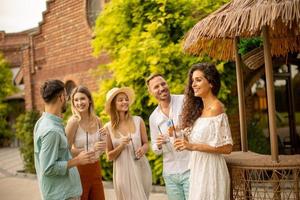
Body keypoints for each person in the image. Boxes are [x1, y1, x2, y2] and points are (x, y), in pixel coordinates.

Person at [174, 63, 233, 200]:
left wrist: (192, 146)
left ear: (211, 83)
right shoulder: (199, 111)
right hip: (198, 169)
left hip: (211, 170)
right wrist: (182, 140)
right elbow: (197, 143)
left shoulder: (216, 108)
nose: (193, 84)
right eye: (192, 81)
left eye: (198, 80)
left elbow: (227, 147)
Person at [34, 80, 95, 200]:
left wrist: (80, 152)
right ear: (61, 97)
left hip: (63, 192)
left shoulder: (44, 122)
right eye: (66, 96)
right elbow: (48, 168)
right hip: (62, 195)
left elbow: (59, 154)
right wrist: (77, 160)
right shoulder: (51, 130)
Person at [147, 74, 190, 200]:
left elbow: (197, 127)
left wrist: (182, 129)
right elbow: (155, 148)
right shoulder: (153, 117)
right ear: (151, 92)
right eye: (156, 87)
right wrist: (158, 144)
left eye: (163, 84)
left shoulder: (185, 101)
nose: (161, 88)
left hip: (190, 167)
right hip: (170, 172)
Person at [105, 87, 152, 200]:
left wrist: (143, 150)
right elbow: (109, 156)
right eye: (120, 100)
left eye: (126, 99)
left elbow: (146, 144)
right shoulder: (108, 128)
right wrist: (121, 146)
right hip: (122, 174)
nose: (125, 102)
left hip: (141, 169)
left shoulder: (138, 120)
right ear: (113, 104)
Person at [65, 85, 106, 200]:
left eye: (82, 98)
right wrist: (91, 148)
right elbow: (65, 151)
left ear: (89, 100)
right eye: (76, 100)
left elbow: (102, 149)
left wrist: (104, 141)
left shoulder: (98, 120)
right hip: (79, 170)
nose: (79, 103)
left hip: (96, 168)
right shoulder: (73, 122)